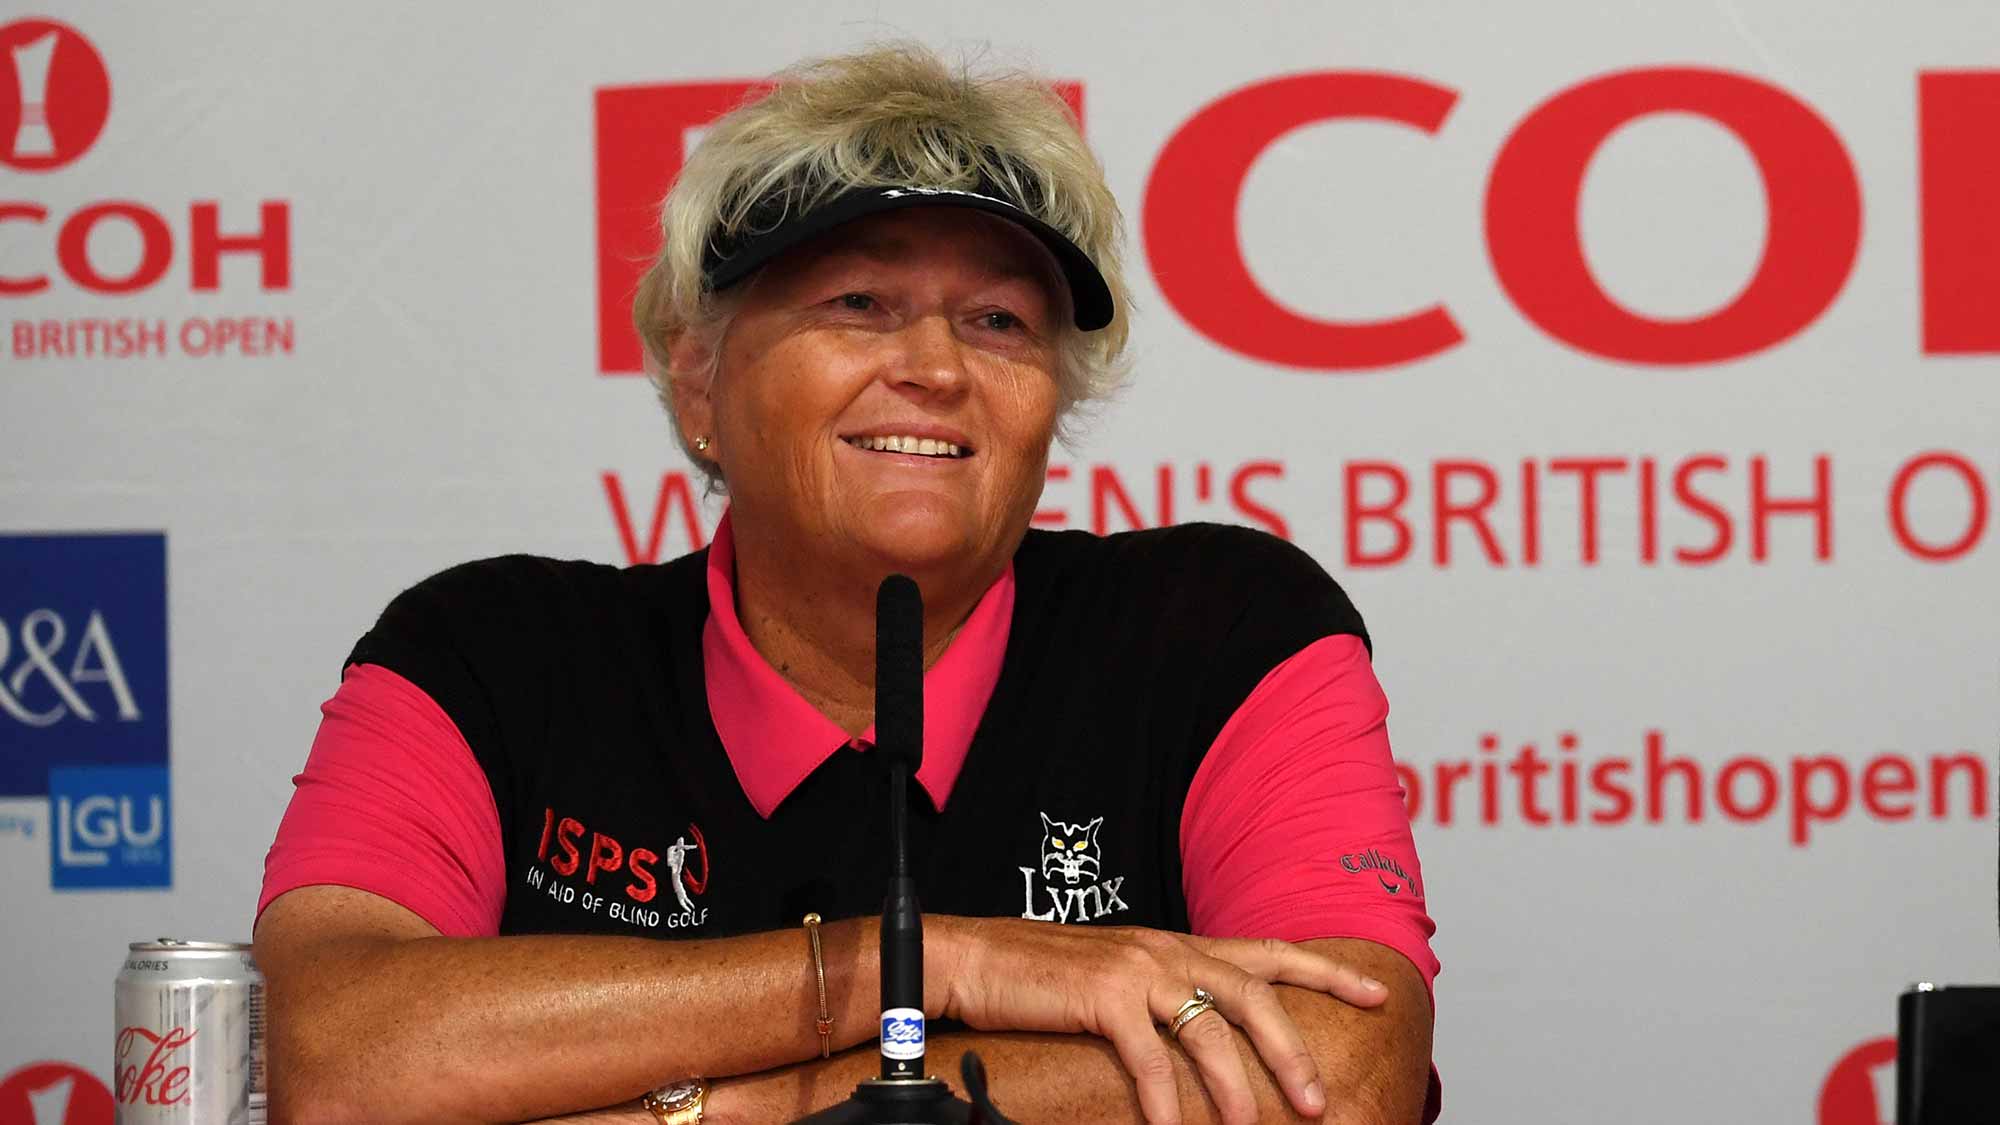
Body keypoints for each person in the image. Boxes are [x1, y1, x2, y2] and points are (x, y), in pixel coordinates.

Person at [253, 42, 1439, 1125]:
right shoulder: (486, 653)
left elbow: (1342, 1074)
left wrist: (734, 1110)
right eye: (858, 304)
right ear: (701, 378)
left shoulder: (1224, 628)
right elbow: (336, 1052)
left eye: (996, 320)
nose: (932, 367)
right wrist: (930, 968)